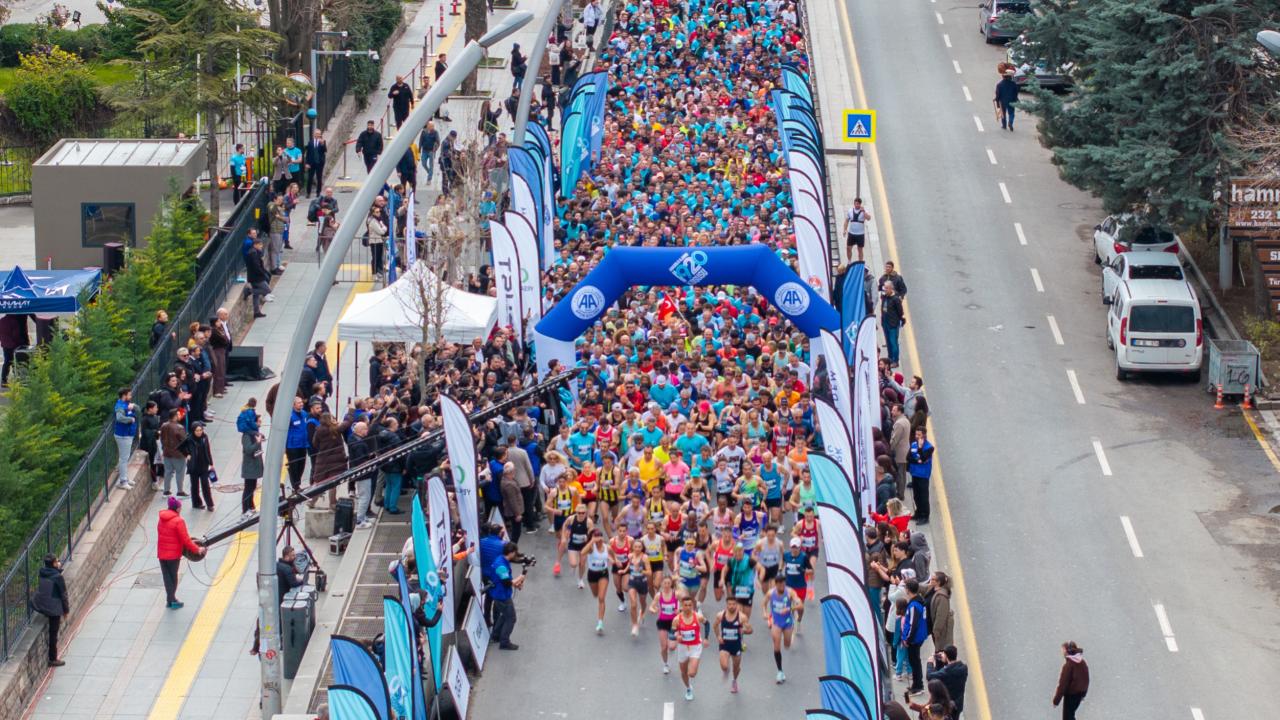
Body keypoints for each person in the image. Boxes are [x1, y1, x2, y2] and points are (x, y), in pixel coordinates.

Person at [157, 496, 204, 609]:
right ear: (177, 508)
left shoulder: (161, 519)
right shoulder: (179, 521)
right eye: (180, 507)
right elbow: (185, 540)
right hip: (173, 555)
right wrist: (197, 549)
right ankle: (172, 600)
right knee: (173, 578)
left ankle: (170, 600)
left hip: (162, 553)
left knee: (167, 577)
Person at [32, 554, 69, 667]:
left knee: (53, 632)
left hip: (42, 605)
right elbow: (63, 595)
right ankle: (52, 659)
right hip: (54, 609)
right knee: (53, 633)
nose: (59, 562)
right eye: (57, 561)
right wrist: (66, 610)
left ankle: (53, 658)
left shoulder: (42, 572)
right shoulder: (58, 577)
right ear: (53, 564)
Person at [490, 541, 525, 650]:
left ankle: (496, 635)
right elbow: (507, 583)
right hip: (502, 595)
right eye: (515, 553)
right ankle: (504, 641)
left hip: (499, 593)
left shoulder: (501, 560)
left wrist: (516, 583)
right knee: (511, 618)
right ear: (511, 553)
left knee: (504, 615)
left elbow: (507, 579)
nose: (515, 555)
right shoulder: (501, 565)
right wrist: (521, 577)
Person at [765, 574, 799, 684]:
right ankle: (780, 671)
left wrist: (790, 608)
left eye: (783, 583)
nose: (782, 585)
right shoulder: (770, 593)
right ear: (776, 584)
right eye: (779, 583)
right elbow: (764, 603)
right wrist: (764, 613)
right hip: (776, 623)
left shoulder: (790, 592)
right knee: (776, 646)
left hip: (787, 622)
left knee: (787, 645)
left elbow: (800, 605)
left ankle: (791, 634)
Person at [672, 595, 706, 701]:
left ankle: (693, 665)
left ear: (692, 606)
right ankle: (688, 688)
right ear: (682, 606)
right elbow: (672, 632)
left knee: (692, 673)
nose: (687, 607)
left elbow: (707, 624)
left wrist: (706, 638)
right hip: (682, 647)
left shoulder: (698, 617)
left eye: (690, 605)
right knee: (683, 672)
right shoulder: (677, 619)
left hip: (695, 647)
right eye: (685, 605)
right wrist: (677, 636)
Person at [901, 577, 929, 695]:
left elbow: (913, 624)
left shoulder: (913, 606)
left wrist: (908, 639)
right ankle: (916, 684)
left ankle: (918, 686)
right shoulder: (919, 601)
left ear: (908, 590)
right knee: (915, 661)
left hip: (914, 639)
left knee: (914, 662)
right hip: (918, 637)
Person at [181, 422, 215, 511]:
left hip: (204, 465)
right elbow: (181, 447)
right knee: (195, 486)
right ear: (193, 431)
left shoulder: (205, 437)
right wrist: (187, 454)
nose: (199, 432)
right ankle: (196, 503)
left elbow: (208, 450)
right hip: (194, 466)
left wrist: (211, 463)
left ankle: (210, 504)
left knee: (205, 485)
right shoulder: (189, 438)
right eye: (197, 431)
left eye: (200, 430)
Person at [927, 645, 969, 718]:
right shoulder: (963, 668)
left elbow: (930, 676)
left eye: (943, 654)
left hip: (947, 706)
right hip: (958, 704)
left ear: (946, 656)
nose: (942, 655)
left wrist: (930, 663)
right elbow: (948, 670)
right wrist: (941, 661)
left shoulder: (946, 673)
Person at [348, 422, 375, 528]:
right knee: (365, 496)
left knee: (363, 495)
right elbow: (361, 461)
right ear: (360, 430)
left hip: (358, 472)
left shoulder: (352, 439)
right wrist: (370, 459)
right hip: (364, 474)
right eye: (365, 429)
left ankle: (363, 516)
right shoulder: (360, 444)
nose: (367, 431)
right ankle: (360, 521)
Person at [1053, 641, 1090, 719]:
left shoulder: (1069, 665)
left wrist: (1056, 701)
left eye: (1063, 650)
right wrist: (1083, 694)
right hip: (1079, 695)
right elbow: (1086, 679)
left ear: (1068, 651)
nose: (1063, 653)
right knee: (1070, 716)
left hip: (1071, 695)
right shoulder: (1082, 662)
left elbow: (1063, 685)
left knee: (1068, 717)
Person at [907, 428, 935, 524]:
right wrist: (917, 461)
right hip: (915, 473)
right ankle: (918, 512)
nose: (917, 437)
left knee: (923, 496)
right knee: (916, 495)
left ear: (924, 435)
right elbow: (908, 458)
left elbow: (923, 458)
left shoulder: (929, 447)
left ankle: (925, 516)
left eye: (919, 435)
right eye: (916, 434)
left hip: (923, 475)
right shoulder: (913, 444)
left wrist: (919, 448)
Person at [113, 387, 138, 489]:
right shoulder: (120, 406)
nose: (131, 396)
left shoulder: (127, 404)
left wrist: (133, 406)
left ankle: (125, 478)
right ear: (124, 395)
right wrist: (130, 419)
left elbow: (138, 409)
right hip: (123, 435)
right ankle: (123, 481)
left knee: (125, 458)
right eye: (129, 395)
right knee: (124, 459)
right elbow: (119, 418)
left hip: (128, 434)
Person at [241, 409, 264, 517]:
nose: (260, 423)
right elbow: (248, 449)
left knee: (252, 487)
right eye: (258, 421)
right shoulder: (247, 435)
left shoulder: (255, 433)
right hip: (249, 466)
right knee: (248, 488)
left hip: (255, 465)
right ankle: (245, 508)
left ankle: (251, 505)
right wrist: (257, 443)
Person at [159, 409, 188, 496]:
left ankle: (166, 490)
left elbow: (162, 438)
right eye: (178, 414)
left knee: (168, 472)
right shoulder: (179, 428)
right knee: (180, 473)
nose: (180, 416)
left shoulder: (164, 425)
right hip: (178, 454)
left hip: (167, 452)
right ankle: (180, 491)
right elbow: (184, 441)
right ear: (175, 416)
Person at [285, 396, 310, 494]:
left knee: (301, 465)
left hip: (303, 444)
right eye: (299, 403)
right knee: (294, 467)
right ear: (293, 405)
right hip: (292, 446)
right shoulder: (289, 416)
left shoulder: (304, 414)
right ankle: (295, 486)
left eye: (301, 402)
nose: (301, 404)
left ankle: (297, 484)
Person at [244, 236, 272, 319]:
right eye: (260, 245)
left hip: (254, 276)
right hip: (256, 277)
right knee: (267, 290)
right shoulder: (253, 253)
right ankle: (249, 291)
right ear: (255, 245)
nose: (261, 246)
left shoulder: (254, 252)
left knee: (256, 296)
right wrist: (263, 273)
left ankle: (256, 312)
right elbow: (256, 266)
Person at [208, 308, 232, 397]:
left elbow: (225, 338)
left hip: (222, 350)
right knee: (219, 370)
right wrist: (225, 339)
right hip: (218, 351)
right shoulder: (214, 331)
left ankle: (221, 388)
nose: (220, 323)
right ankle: (217, 390)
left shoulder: (219, 329)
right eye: (218, 321)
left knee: (222, 369)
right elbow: (224, 339)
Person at [882, 281, 906, 368]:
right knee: (888, 342)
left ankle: (895, 360)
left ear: (891, 288)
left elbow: (900, 312)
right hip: (885, 322)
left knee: (893, 342)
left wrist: (900, 320)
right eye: (884, 288)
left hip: (893, 324)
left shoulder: (895, 299)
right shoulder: (885, 297)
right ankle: (890, 358)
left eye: (886, 288)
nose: (884, 290)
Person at [843, 197, 873, 262]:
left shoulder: (864, 211)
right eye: (855, 204)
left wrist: (863, 212)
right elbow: (846, 221)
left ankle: (860, 262)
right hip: (851, 233)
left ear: (860, 204)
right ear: (854, 203)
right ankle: (849, 261)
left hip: (860, 234)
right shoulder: (850, 211)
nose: (857, 205)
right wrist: (845, 230)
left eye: (858, 204)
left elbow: (868, 218)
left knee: (860, 249)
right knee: (848, 248)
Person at [304, 130, 327, 197]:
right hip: (311, 163)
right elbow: (308, 153)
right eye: (316, 134)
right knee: (310, 178)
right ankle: (308, 193)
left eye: (319, 134)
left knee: (319, 178)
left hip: (319, 163)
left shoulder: (322, 141)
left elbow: (325, 150)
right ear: (314, 134)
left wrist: (322, 144)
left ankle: (318, 192)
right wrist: (307, 163)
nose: (317, 135)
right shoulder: (310, 142)